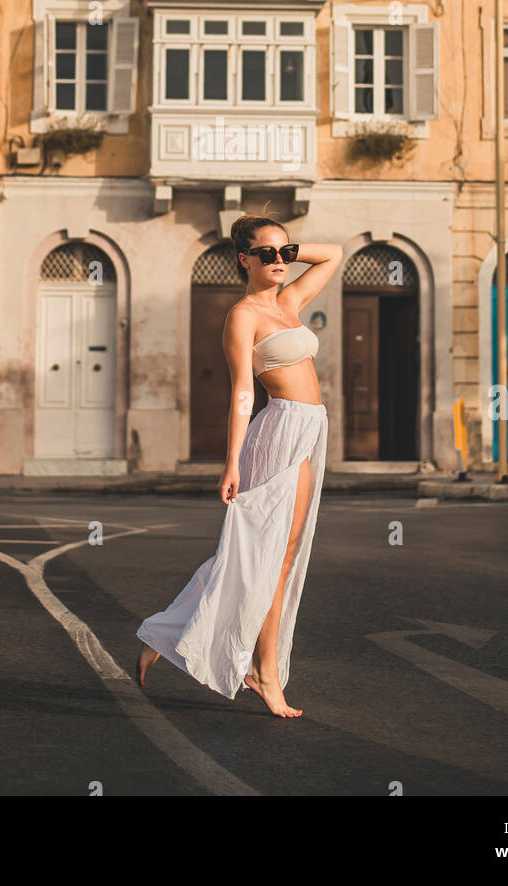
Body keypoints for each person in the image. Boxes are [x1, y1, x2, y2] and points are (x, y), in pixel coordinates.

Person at [135, 214, 343, 718]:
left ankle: (174, 636)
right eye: (266, 253)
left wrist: (288, 247)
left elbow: (334, 253)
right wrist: (230, 464)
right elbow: (243, 393)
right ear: (243, 259)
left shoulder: (289, 301)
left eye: (284, 253)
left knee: (284, 556)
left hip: (311, 430)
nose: (279, 261)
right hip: (277, 432)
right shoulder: (242, 315)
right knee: (262, 557)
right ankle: (262, 673)